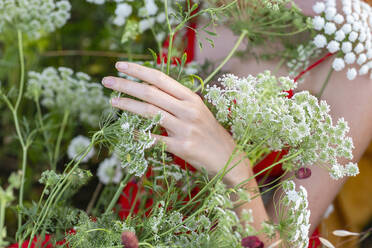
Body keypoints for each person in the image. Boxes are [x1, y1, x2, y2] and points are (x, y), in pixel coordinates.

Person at [101, 0, 372, 246]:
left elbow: (285, 242)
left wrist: (235, 168)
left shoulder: (355, 54)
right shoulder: (197, 8)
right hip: (126, 216)